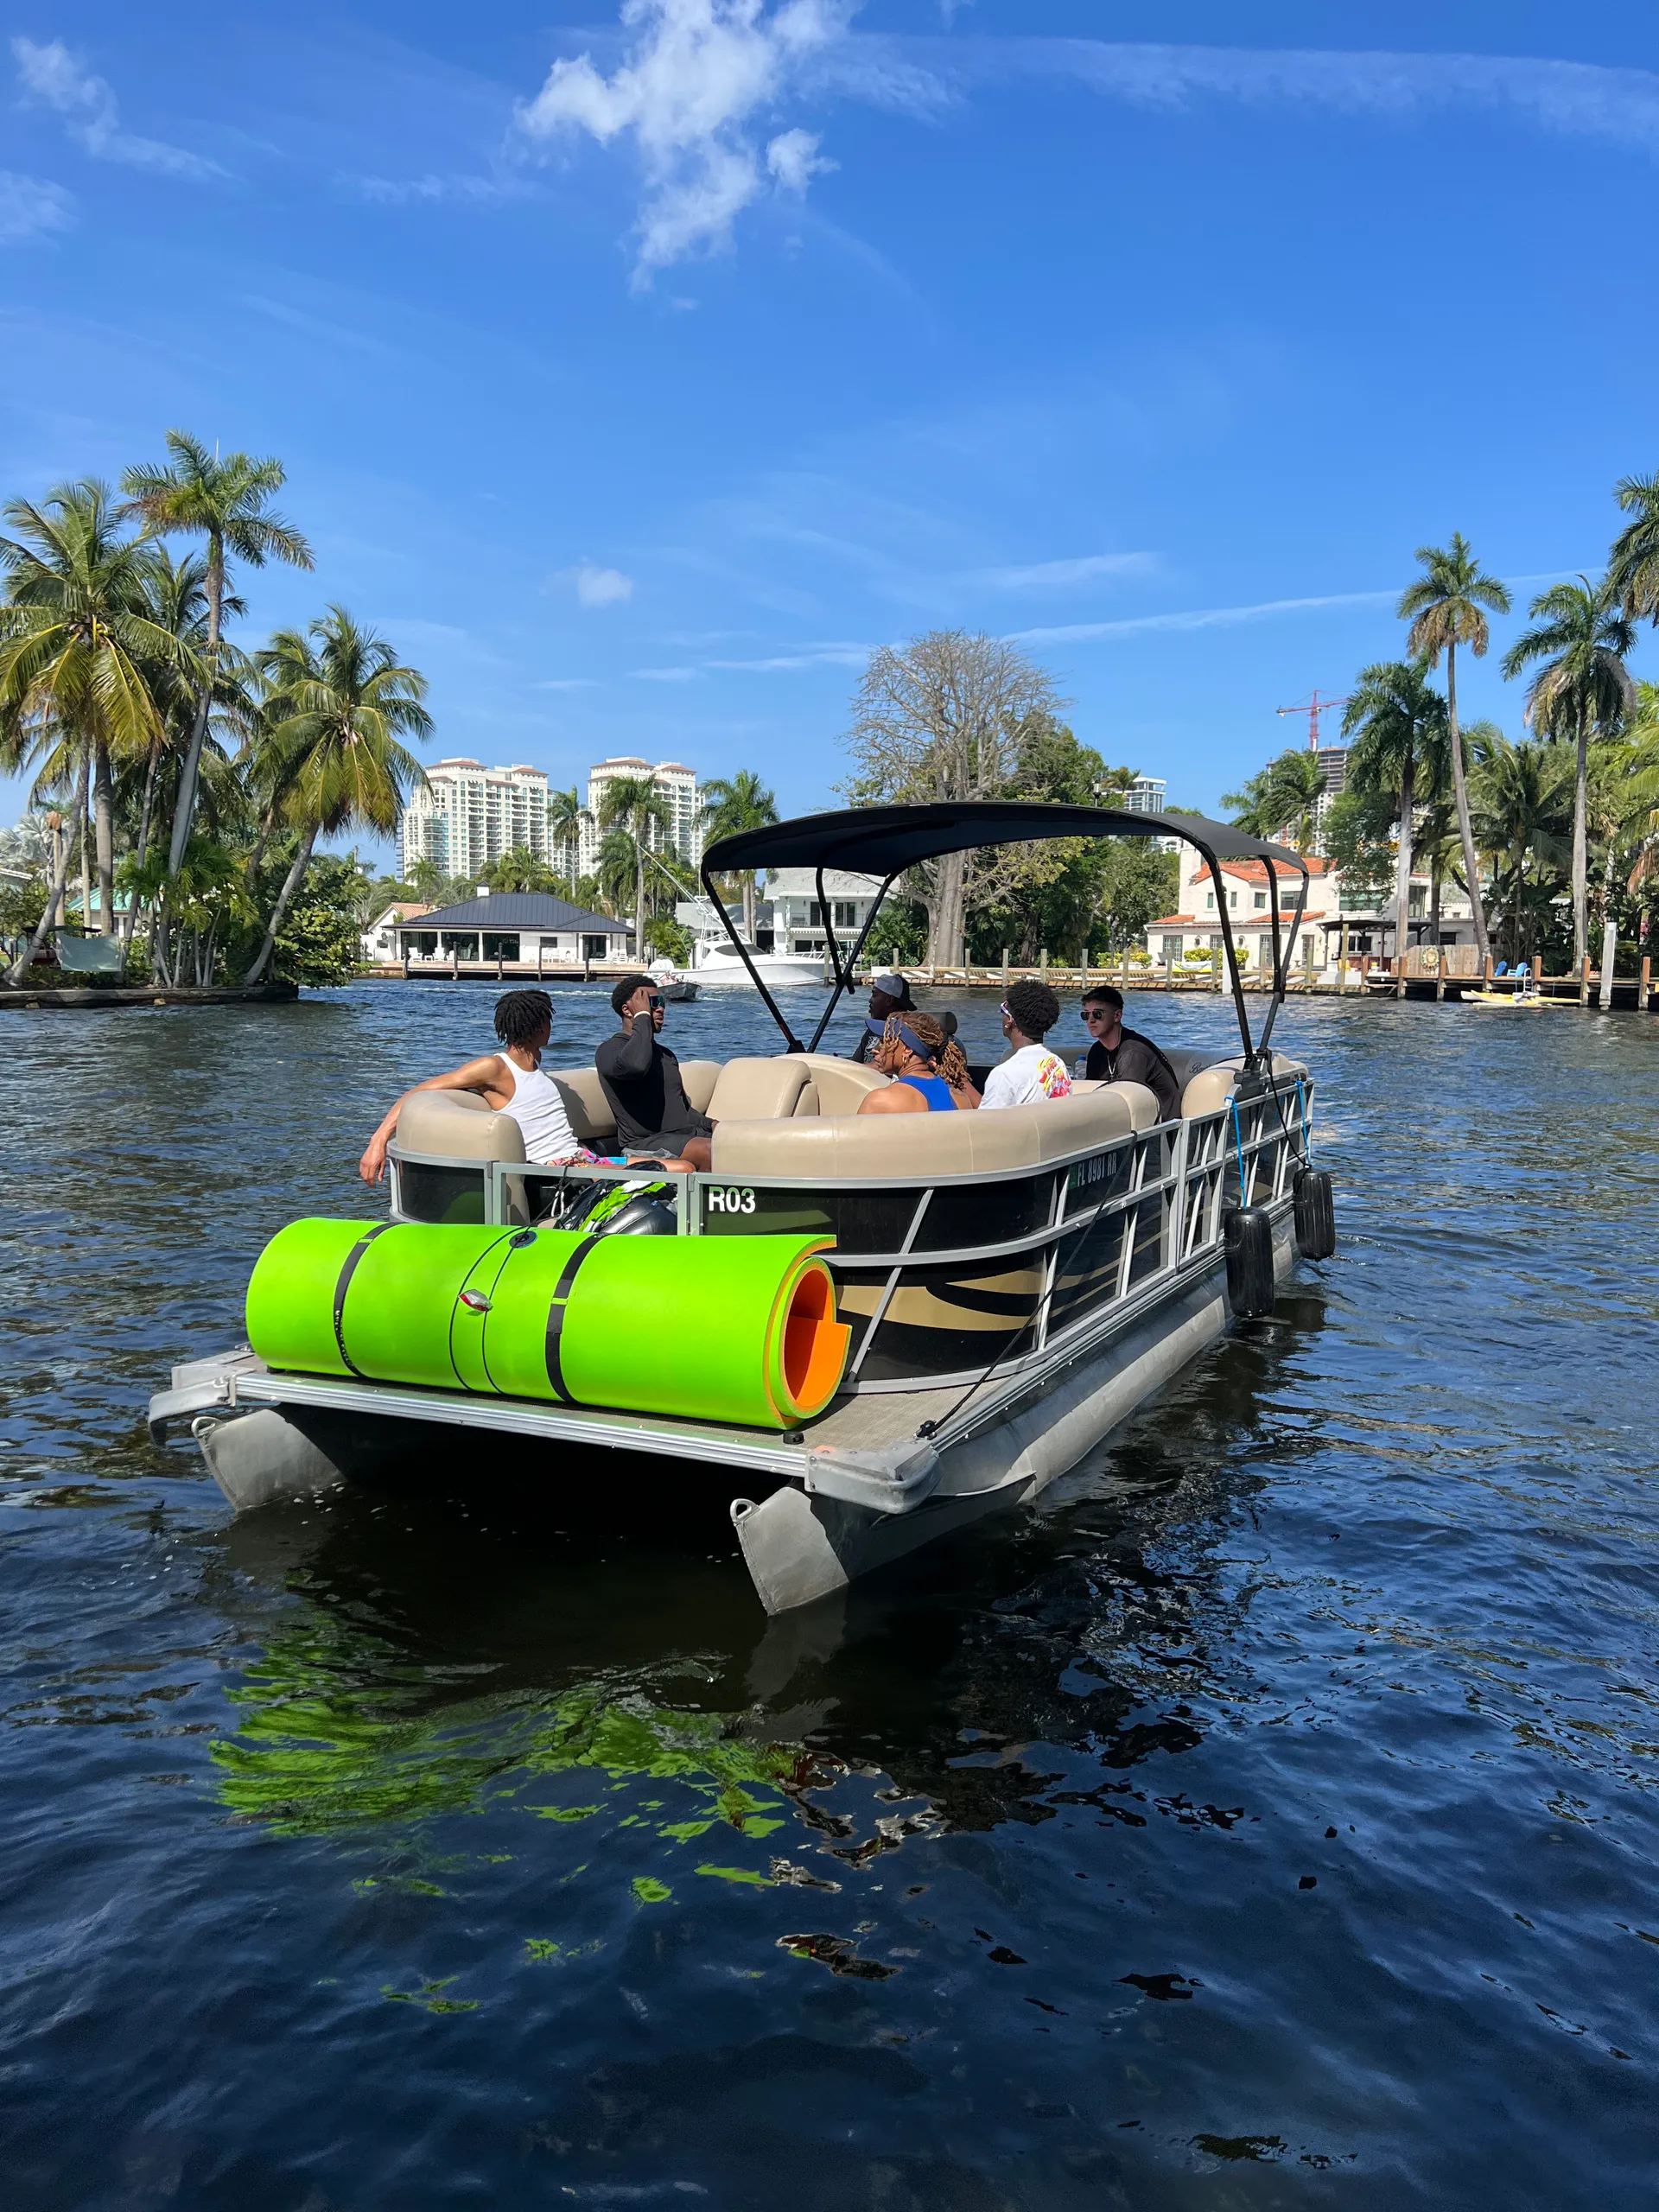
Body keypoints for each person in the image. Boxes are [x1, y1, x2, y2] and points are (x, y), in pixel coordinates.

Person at [359, 987, 596, 1183]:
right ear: (539, 1027)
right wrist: (379, 1139)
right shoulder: (494, 1068)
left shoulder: (534, 1061)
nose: (551, 1028)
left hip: (577, 1159)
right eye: (548, 1021)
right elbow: (419, 1091)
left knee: (622, 1164)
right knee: (621, 1175)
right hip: (555, 1170)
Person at [595, 975, 715, 1173]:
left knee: (735, 1143)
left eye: (662, 1002)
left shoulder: (666, 1055)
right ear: (628, 1010)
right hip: (643, 1144)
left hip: (684, 1136)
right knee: (711, 1150)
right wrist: (642, 1017)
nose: (660, 1009)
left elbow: (683, 1111)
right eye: (652, 1003)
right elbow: (636, 1067)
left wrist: (715, 1125)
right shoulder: (609, 1051)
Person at [1079, 984, 1181, 1122]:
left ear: (1117, 1015)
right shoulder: (1096, 1051)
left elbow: (1127, 1101)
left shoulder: (1133, 1051)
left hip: (1161, 1127)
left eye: (1098, 1014)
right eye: (1086, 1015)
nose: (1091, 1020)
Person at [856, 1010, 980, 1114]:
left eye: (884, 1041)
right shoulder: (960, 1098)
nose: (875, 1049)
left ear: (907, 1050)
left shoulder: (879, 1100)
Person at [978, 979, 1072, 1109]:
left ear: (1010, 1020)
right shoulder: (1057, 1064)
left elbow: (986, 1121)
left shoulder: (1004, 1075)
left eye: (1003, 1009)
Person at [850, 970, 916, 1063]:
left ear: (889, 1000)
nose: (870, 1000)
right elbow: (856, 1062)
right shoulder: (872, 1030)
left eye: (874, 995)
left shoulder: (905, 1032)